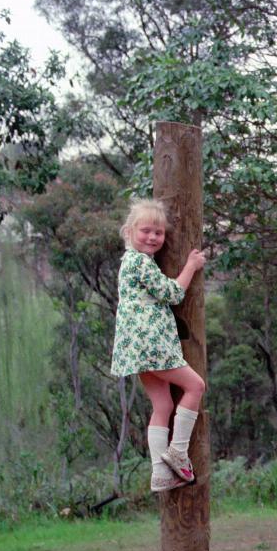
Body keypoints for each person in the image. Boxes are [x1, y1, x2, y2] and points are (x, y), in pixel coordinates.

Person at [109, 198, 207, 493]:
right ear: (129, 232)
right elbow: (173, 293)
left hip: (135, 347)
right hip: (151, 344)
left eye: (158, 233)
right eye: (146, 231)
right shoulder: (139, 261)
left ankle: (160, 474)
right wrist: (191, 265)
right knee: (195, 387)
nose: (152, 237)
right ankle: (178, 451)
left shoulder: (129, 262)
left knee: (162, 405)